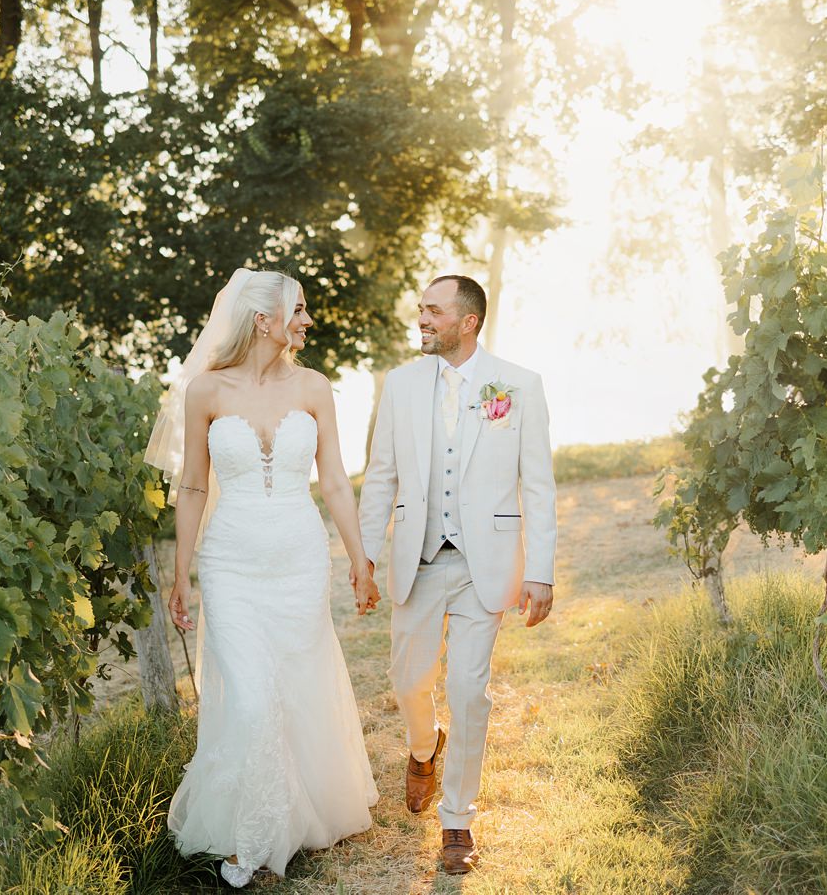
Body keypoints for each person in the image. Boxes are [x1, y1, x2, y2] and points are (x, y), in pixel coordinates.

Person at [144, 268, 381, 888]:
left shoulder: (315, 386)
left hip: (300, 557)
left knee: (297, 680)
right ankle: (253, 837)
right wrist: (182, 573)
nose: (306, 320)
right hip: (231, 563)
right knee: (249, 698)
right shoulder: (207, 392)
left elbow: (332, 480)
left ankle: (305, 809)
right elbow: (194, 485)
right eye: (298, 309)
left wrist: (359, 557)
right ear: (263, 319)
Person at [357, 274, 557, 875]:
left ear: (467, 322)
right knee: (409, 681)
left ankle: (457, 822)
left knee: (471, 691)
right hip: (416, 562)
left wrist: (541, 571)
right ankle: (424, 746)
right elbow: (383, 474)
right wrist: (366, 556)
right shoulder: (401, 384)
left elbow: (539, 485)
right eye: (421, 308)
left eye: (433, 311)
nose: (422, 318)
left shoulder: (518, 386)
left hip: (484, 564)